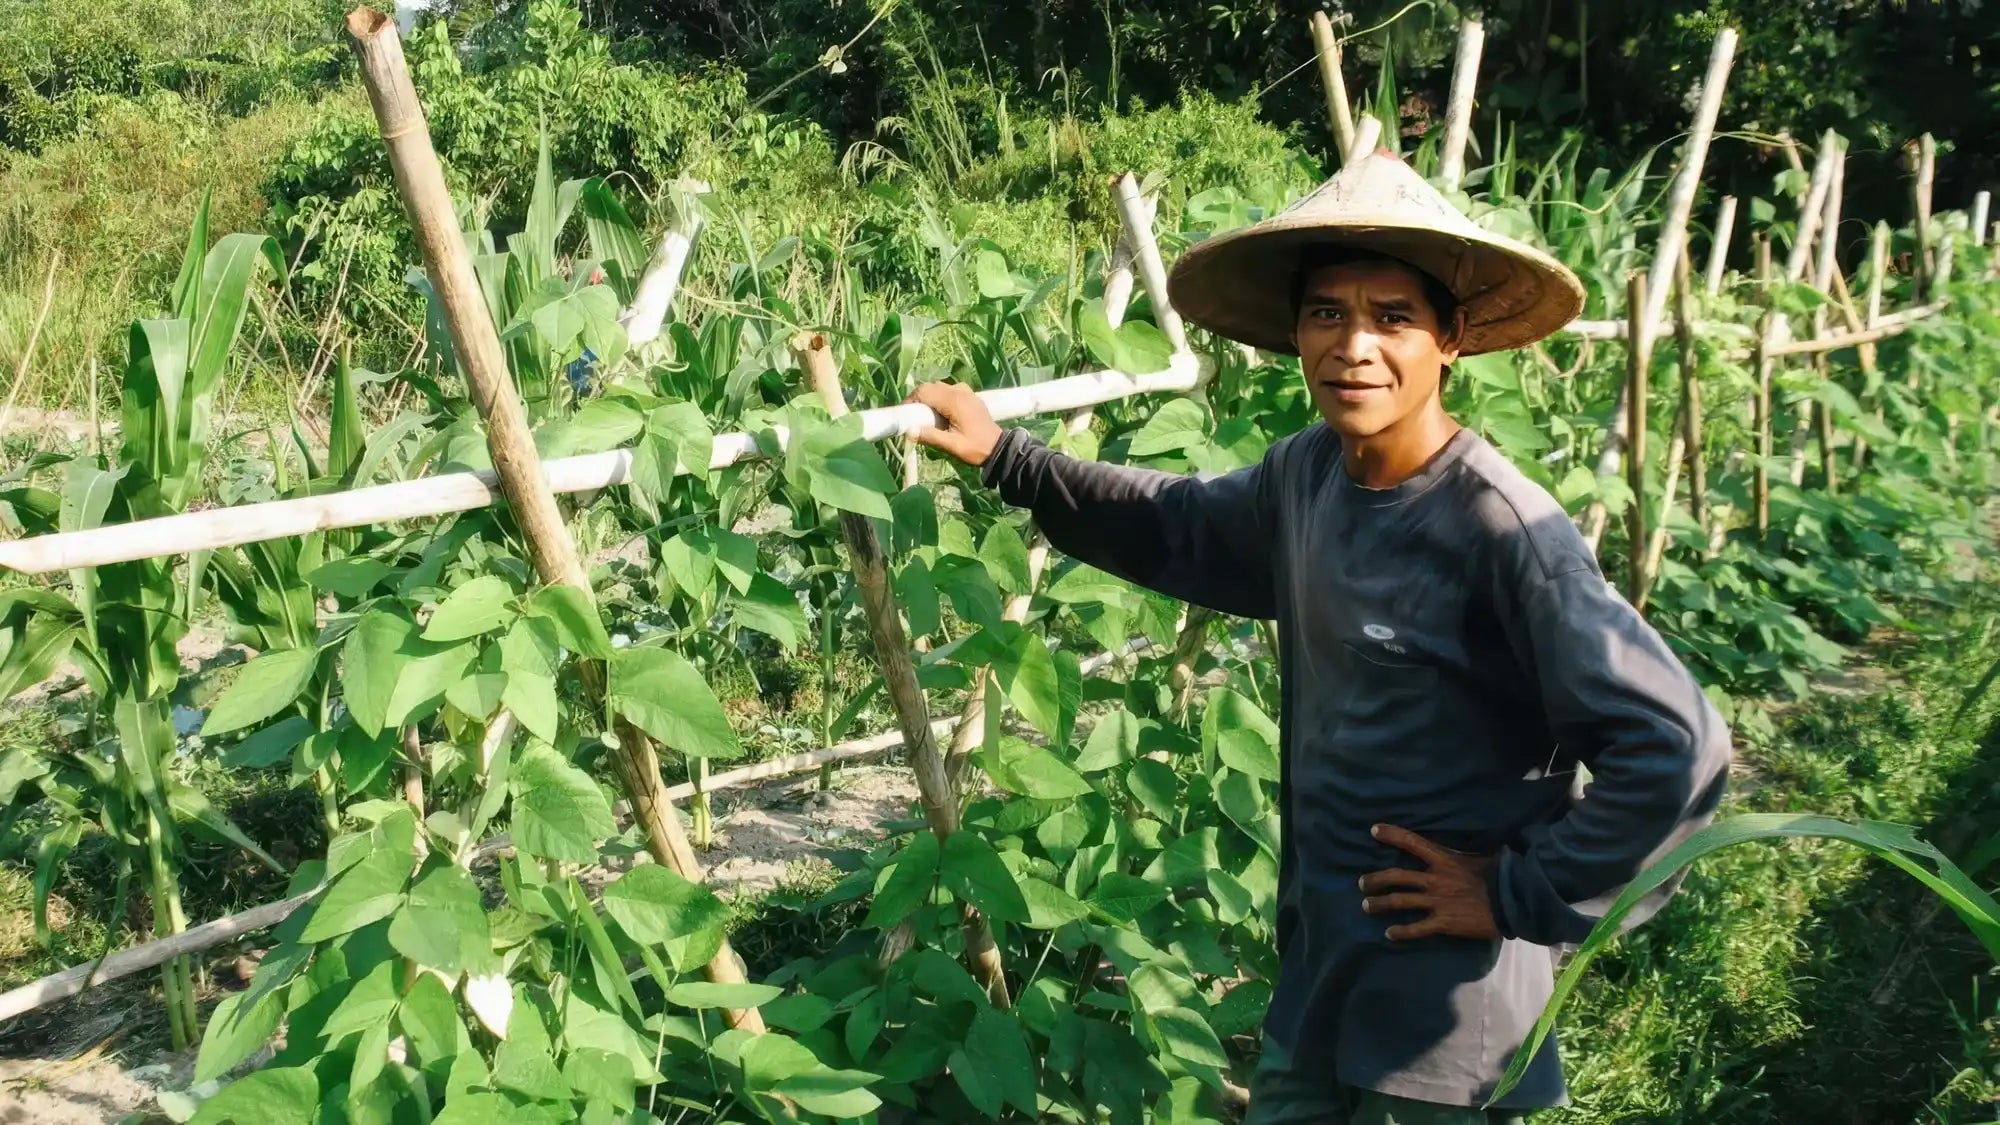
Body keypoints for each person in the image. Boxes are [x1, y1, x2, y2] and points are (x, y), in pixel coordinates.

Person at [907, 150, 1733, 1123]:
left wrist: (1518, 894)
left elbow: (1675, 750)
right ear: (1296, 331)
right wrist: (1008, 457)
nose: (1353, 346)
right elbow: (1177, 524)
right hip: (1321, 974)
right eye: (1326, 313)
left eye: (1391, 318)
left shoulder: (1501, 533)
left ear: (1450, 338)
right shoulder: (1306, 475)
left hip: (1441, 1016)